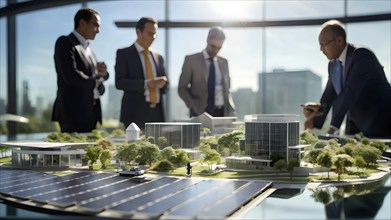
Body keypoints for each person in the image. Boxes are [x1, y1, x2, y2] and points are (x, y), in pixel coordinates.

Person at [303, 19, 391, 138]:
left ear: (339, 40)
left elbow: (349, 93)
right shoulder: (333, 64)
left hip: (381, 124)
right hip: (355, 126)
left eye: (324, 44)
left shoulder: (361, 55)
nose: (321, 49)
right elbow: (329, 96)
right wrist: (314, 119)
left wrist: (333, 128)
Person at [52, 8, 109, 133]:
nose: (98, 30)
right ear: (82, 23)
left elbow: (94, 80)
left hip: (91, 114)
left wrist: (102, 75)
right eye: (95, 25)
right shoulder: (65, 42)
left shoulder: (90, 52)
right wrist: (96, 81)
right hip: (72, 114)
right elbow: (71, 75)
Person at [115, 17, 168, 130]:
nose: (153, 38)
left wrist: (163, 83)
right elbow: (119, 82)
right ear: (138, 32)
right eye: (150, 33)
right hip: (134, 115)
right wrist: (147, 84)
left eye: (155, 34)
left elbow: (166, 87)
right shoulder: (124, 54)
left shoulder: (159, 57)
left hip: (157, 114)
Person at [178, 26, 235, 117]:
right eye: (213, 46)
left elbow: (227, 88)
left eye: (219, 48)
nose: (215, 50)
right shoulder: (191, 60)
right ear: (207, 40)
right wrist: (194, 106)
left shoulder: (224, 62)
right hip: (200, 113)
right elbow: (182, 88)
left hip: (223, 113)